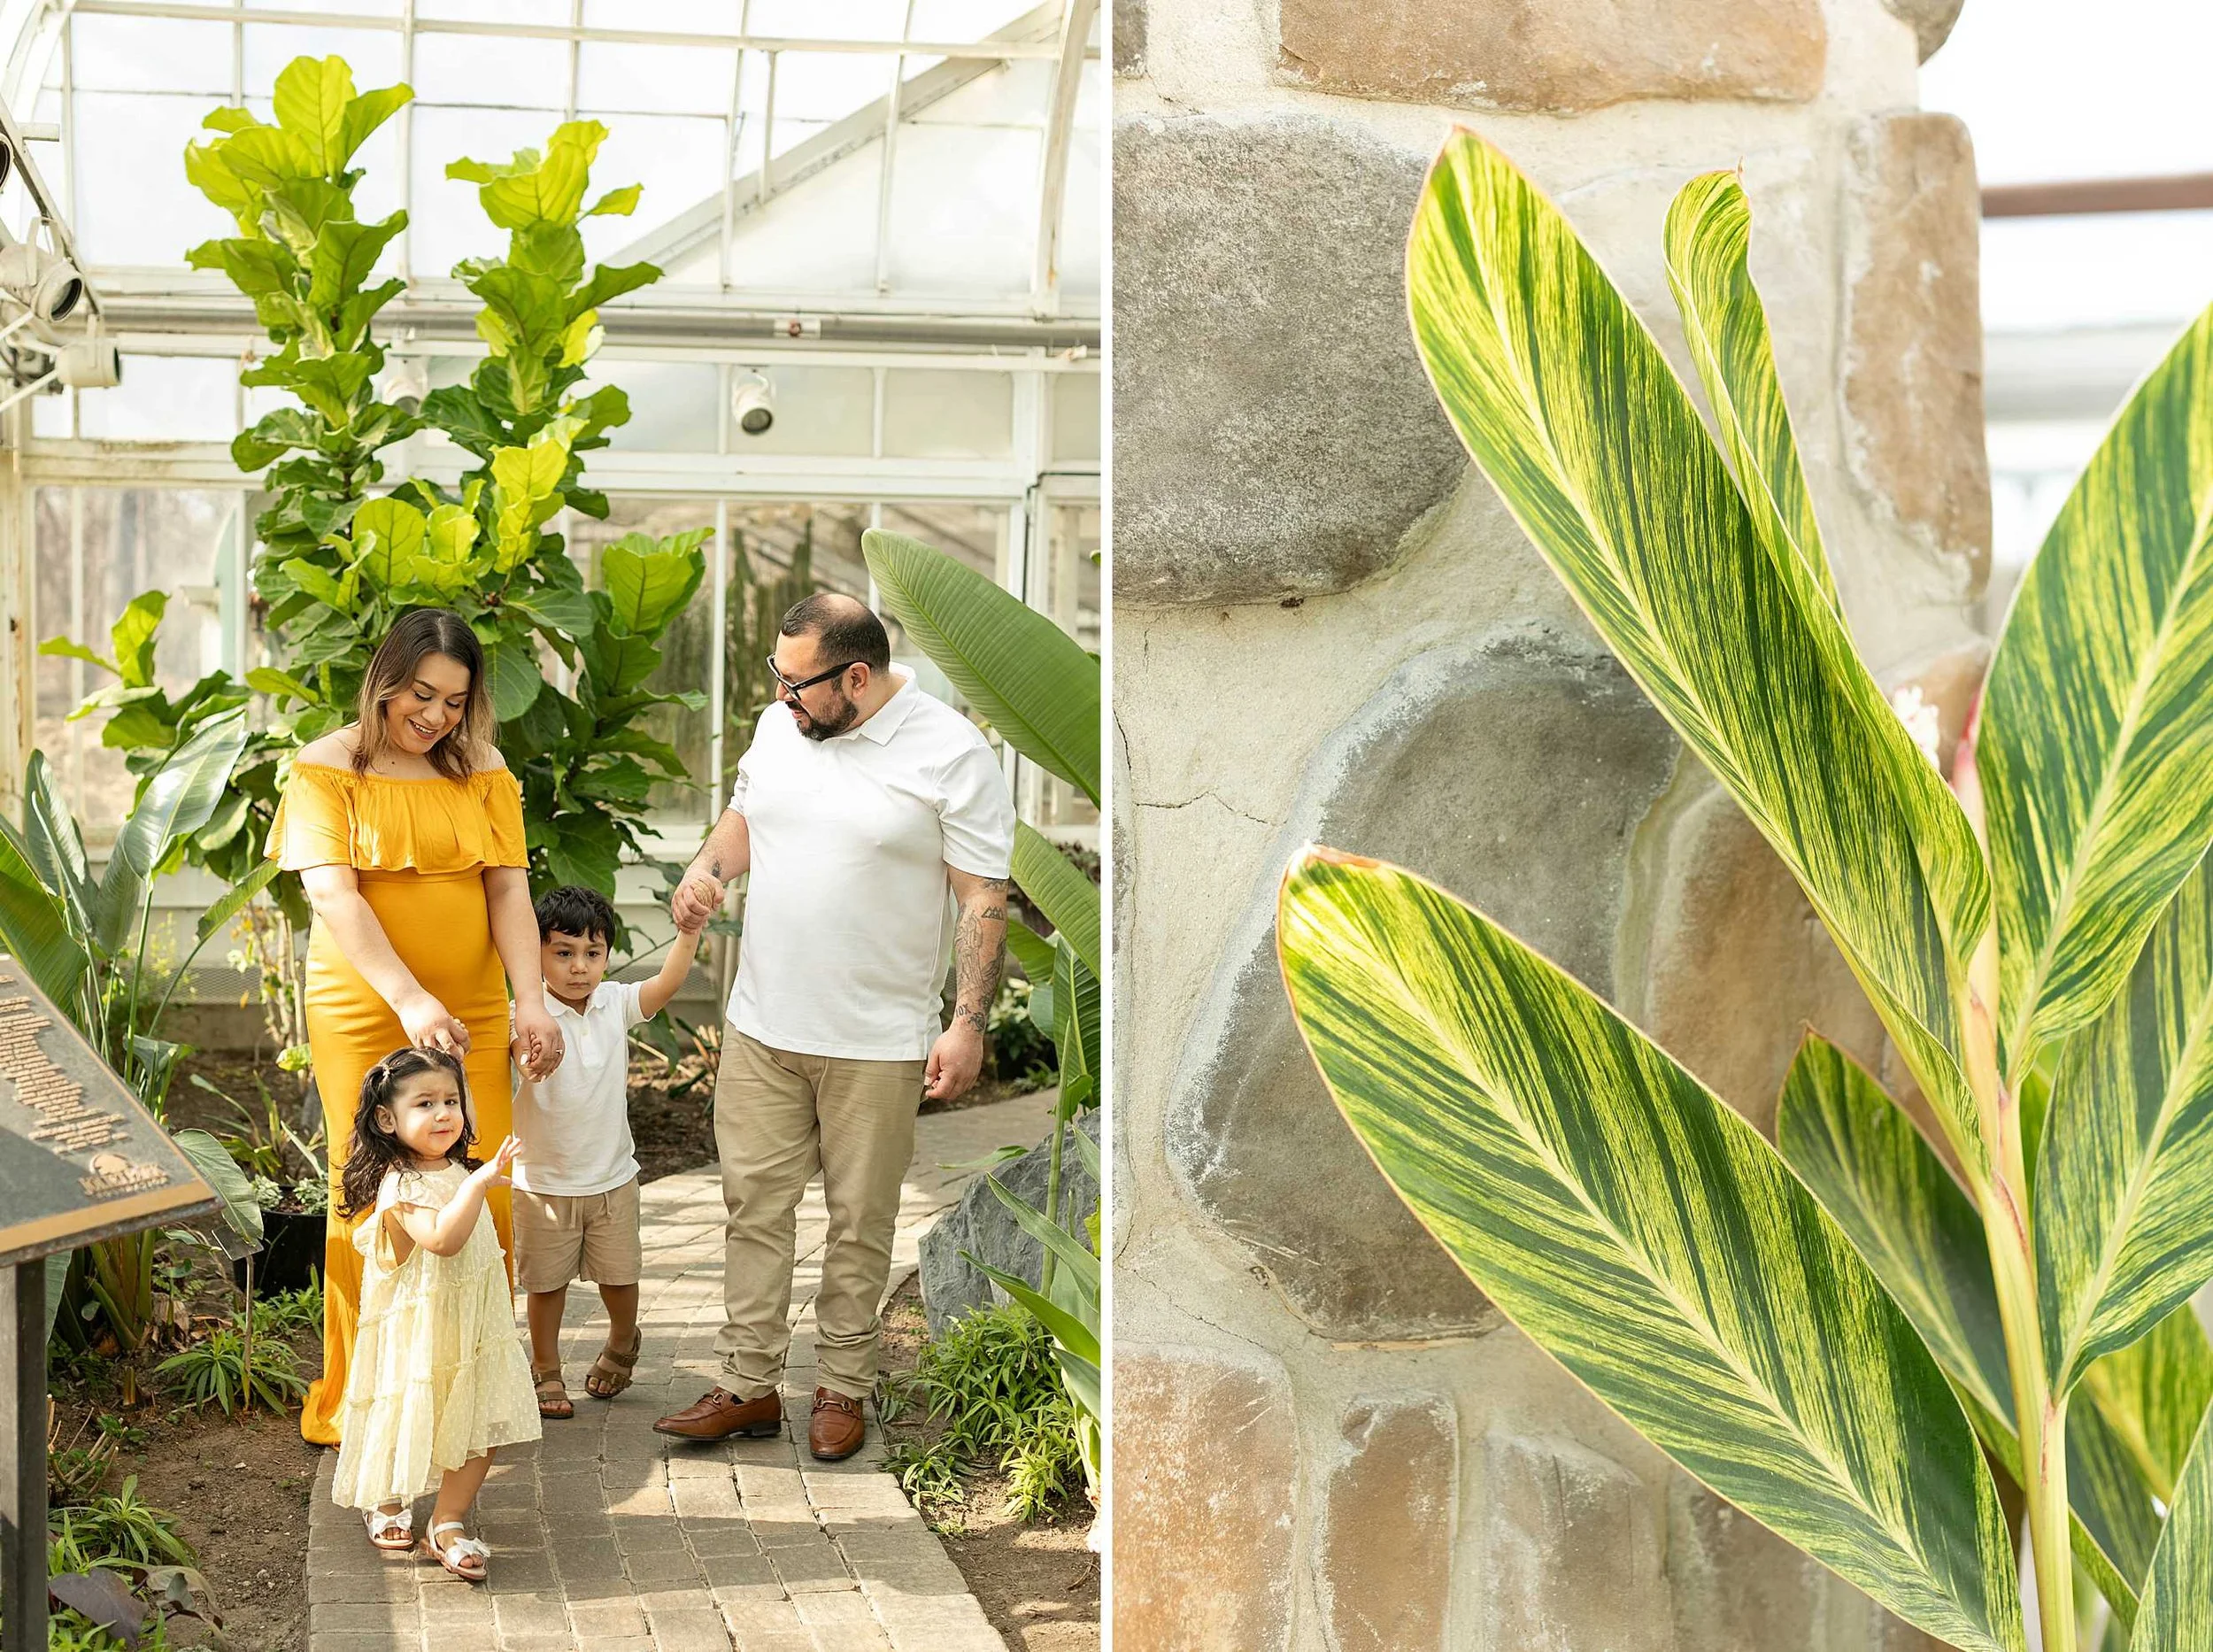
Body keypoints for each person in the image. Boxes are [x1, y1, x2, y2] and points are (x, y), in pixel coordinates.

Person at [655, 592, 1016, 1461]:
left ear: (857, 675)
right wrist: (705, 871)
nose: (781, 697)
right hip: (762, 1025)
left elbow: (982, 897)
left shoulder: (953, 753)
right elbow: (744, 821)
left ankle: (844, 1387)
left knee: (859, 1221)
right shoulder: (785, 728)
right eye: (776, 679)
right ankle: (746, 1384)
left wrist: (967, 1022)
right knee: (752, 1209)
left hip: (877, 1041)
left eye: (797, 683)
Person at [269, 607, 566, 1447]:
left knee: (485, 1192)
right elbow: (334, 895)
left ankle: (469, 1396)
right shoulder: (325, 769)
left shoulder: (483, 769)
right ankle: (362, 1399)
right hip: (368, 1007)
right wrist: (408, 999)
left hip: (471, 1009)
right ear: (384, 681)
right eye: (420, 693)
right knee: (369, 1200)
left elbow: (508, 891)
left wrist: (532, 1001)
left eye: (455, 701)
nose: (434, 715)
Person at [328, 1048, 541, 1582]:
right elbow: (444, 1240)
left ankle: (446, 1520)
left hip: (470, 1332)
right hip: (415, 1335)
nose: (444, 1113)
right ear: (387, 1118)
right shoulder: (401, 1184)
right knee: (405, 1410)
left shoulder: (453, 1170)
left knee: (480, 1418)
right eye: (425, 1103)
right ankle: (387, 1496)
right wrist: (476, 1184)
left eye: (452, 1100)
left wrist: (470, 1179)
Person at [514, 884, 707, 1419]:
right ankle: (546, 1369)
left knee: (620, 1277)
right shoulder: (524, 1016)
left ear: (606, 956)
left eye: (592, 953)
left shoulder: (615, 1003)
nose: (580, 967)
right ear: (537, 952)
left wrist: (688, 933)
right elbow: (519, 1057)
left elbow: (666, 985)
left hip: (611, 1178)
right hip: (542, 1182)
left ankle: (623, 1340)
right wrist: (529, 1063)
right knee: (545, 1286)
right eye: (564, 952)